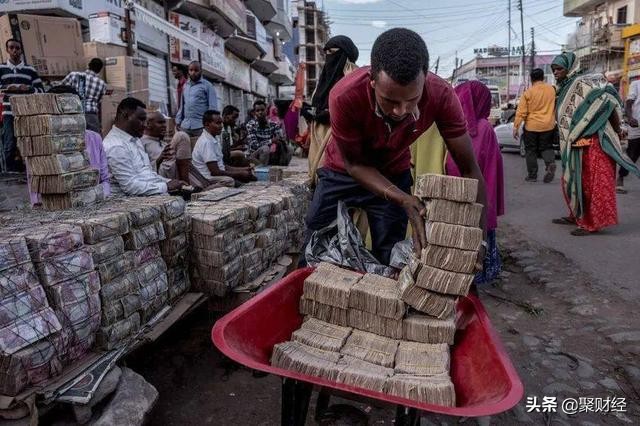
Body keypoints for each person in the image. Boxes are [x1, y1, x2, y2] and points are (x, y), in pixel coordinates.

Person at [304, 28, 487, 266]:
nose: (401, 111)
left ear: (425, 79)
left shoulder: (441, 94)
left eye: (412, 100)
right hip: (342, 170)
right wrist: (403, 199)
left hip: (393, 170)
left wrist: (479, 240)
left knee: (390, 256)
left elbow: (470, 170)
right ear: (372, 82)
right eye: (390, 101)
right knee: (314, 245)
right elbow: (356, 165)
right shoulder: (344, 95)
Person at [551, 52, 640, 236]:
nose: (556, 72)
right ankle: (576, 215)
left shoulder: (584, 83)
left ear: (570, 67)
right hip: (575, 142)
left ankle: (591, 223)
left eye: (559, 68)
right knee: (572, 178)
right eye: (553, 69)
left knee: (593, 183)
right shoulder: (564, 87)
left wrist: (616, 130)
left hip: (595, 143)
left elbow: (606, 103)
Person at [446, 81, 505, 284]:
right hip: (478, 196)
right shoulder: (485, 127)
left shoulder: (448, 126)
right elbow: (492, 169)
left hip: (452, 198)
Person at [28, 86, 111, 205]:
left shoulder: (94, 138)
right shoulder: (39, 143)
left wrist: (95, 197)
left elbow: (105, 180)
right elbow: (36, 191)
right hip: (56, 210)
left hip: (93, 205)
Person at [303, 36, 360, 185]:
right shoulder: (325, 78)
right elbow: (318, 102)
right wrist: (311, 113)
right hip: (321, 133)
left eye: (332, 51)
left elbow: (355, 107)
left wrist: (332, 114)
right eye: (326, 52)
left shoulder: (354, 77)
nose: (329, 55)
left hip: (340, 136)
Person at [103, 97, 186, 196]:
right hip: (129, 201)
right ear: (126, 116)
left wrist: (169, 182)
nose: (145, 125)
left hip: (147, 195)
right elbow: (130, 186)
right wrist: (166, 186)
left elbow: (147, 174)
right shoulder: (115, 146)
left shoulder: (135, 140)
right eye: (141, 119)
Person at [0, 39, 44, 171]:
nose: (14, 51)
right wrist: (7, 87)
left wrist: (29, 89)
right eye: (11, 48)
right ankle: (10, 173)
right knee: (10, 144)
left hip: (27, 112)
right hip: (8, 111)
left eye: (17, 48)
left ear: (21, 50)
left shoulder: (29, 70)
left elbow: (41, 91)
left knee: (29, 142)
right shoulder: (1, 68)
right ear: (7, 50)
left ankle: (31, 170)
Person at [513, 68, 557, 183]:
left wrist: (516, 127)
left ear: (531, 79)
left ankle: (532, 175)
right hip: (548, 125)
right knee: (547, 147)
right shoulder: (552, 90)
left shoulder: (528, 93)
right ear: (543, 78)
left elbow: (521, 112)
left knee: (530, 150)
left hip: (531, 126)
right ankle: (550, 163)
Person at [191, 110, 255, 188]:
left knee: (247, 180)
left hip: (217, 174)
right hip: (207, 178)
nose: (221, 126)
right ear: (207, 125)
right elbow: (215, 172)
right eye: (218, 123)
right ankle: (207, 189)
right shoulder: (206, 142)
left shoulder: (214, 138)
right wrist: (239, 173)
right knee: (230, 181)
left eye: (221, 123)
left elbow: (223, 166)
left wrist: (243, 169)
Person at [61, 58, 108, 133]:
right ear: (99, 70)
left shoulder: (74, 75)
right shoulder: (102, 84)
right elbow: (99, 101)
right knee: (93, 141)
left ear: (89, 65)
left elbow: (60, 88)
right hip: (91, 116)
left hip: (74, 112)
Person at [176, 61, 217, 137]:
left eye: (196, 70)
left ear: (201, 71)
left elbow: (213, 107)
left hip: (201, 126)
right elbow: (182, 106)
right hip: (185, 126)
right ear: (188, 71)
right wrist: (178, 121)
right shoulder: (185, 86)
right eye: (191, 70)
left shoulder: (207, 86)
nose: (193, 73)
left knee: (202, 148)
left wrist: (210, 124)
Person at [245, 100, 287, 165]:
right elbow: (255, 145)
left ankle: (280, 168)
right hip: (254, 155)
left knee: (289, 149)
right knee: (265, 149)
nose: (260, 112)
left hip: (268, 153)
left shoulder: (273, 124)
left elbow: (280, 138)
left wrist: (279, 141)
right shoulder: (250, 125)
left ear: (266, 110)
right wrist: (271, 141)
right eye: (257, 111)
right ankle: (262, 170)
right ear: (254, 113)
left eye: (262, 110)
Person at [617, 78, 640, 193]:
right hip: (637, 126)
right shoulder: (636, 84)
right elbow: (628, 103)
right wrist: (630, 118)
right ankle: (620, 178)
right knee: (632, 154)